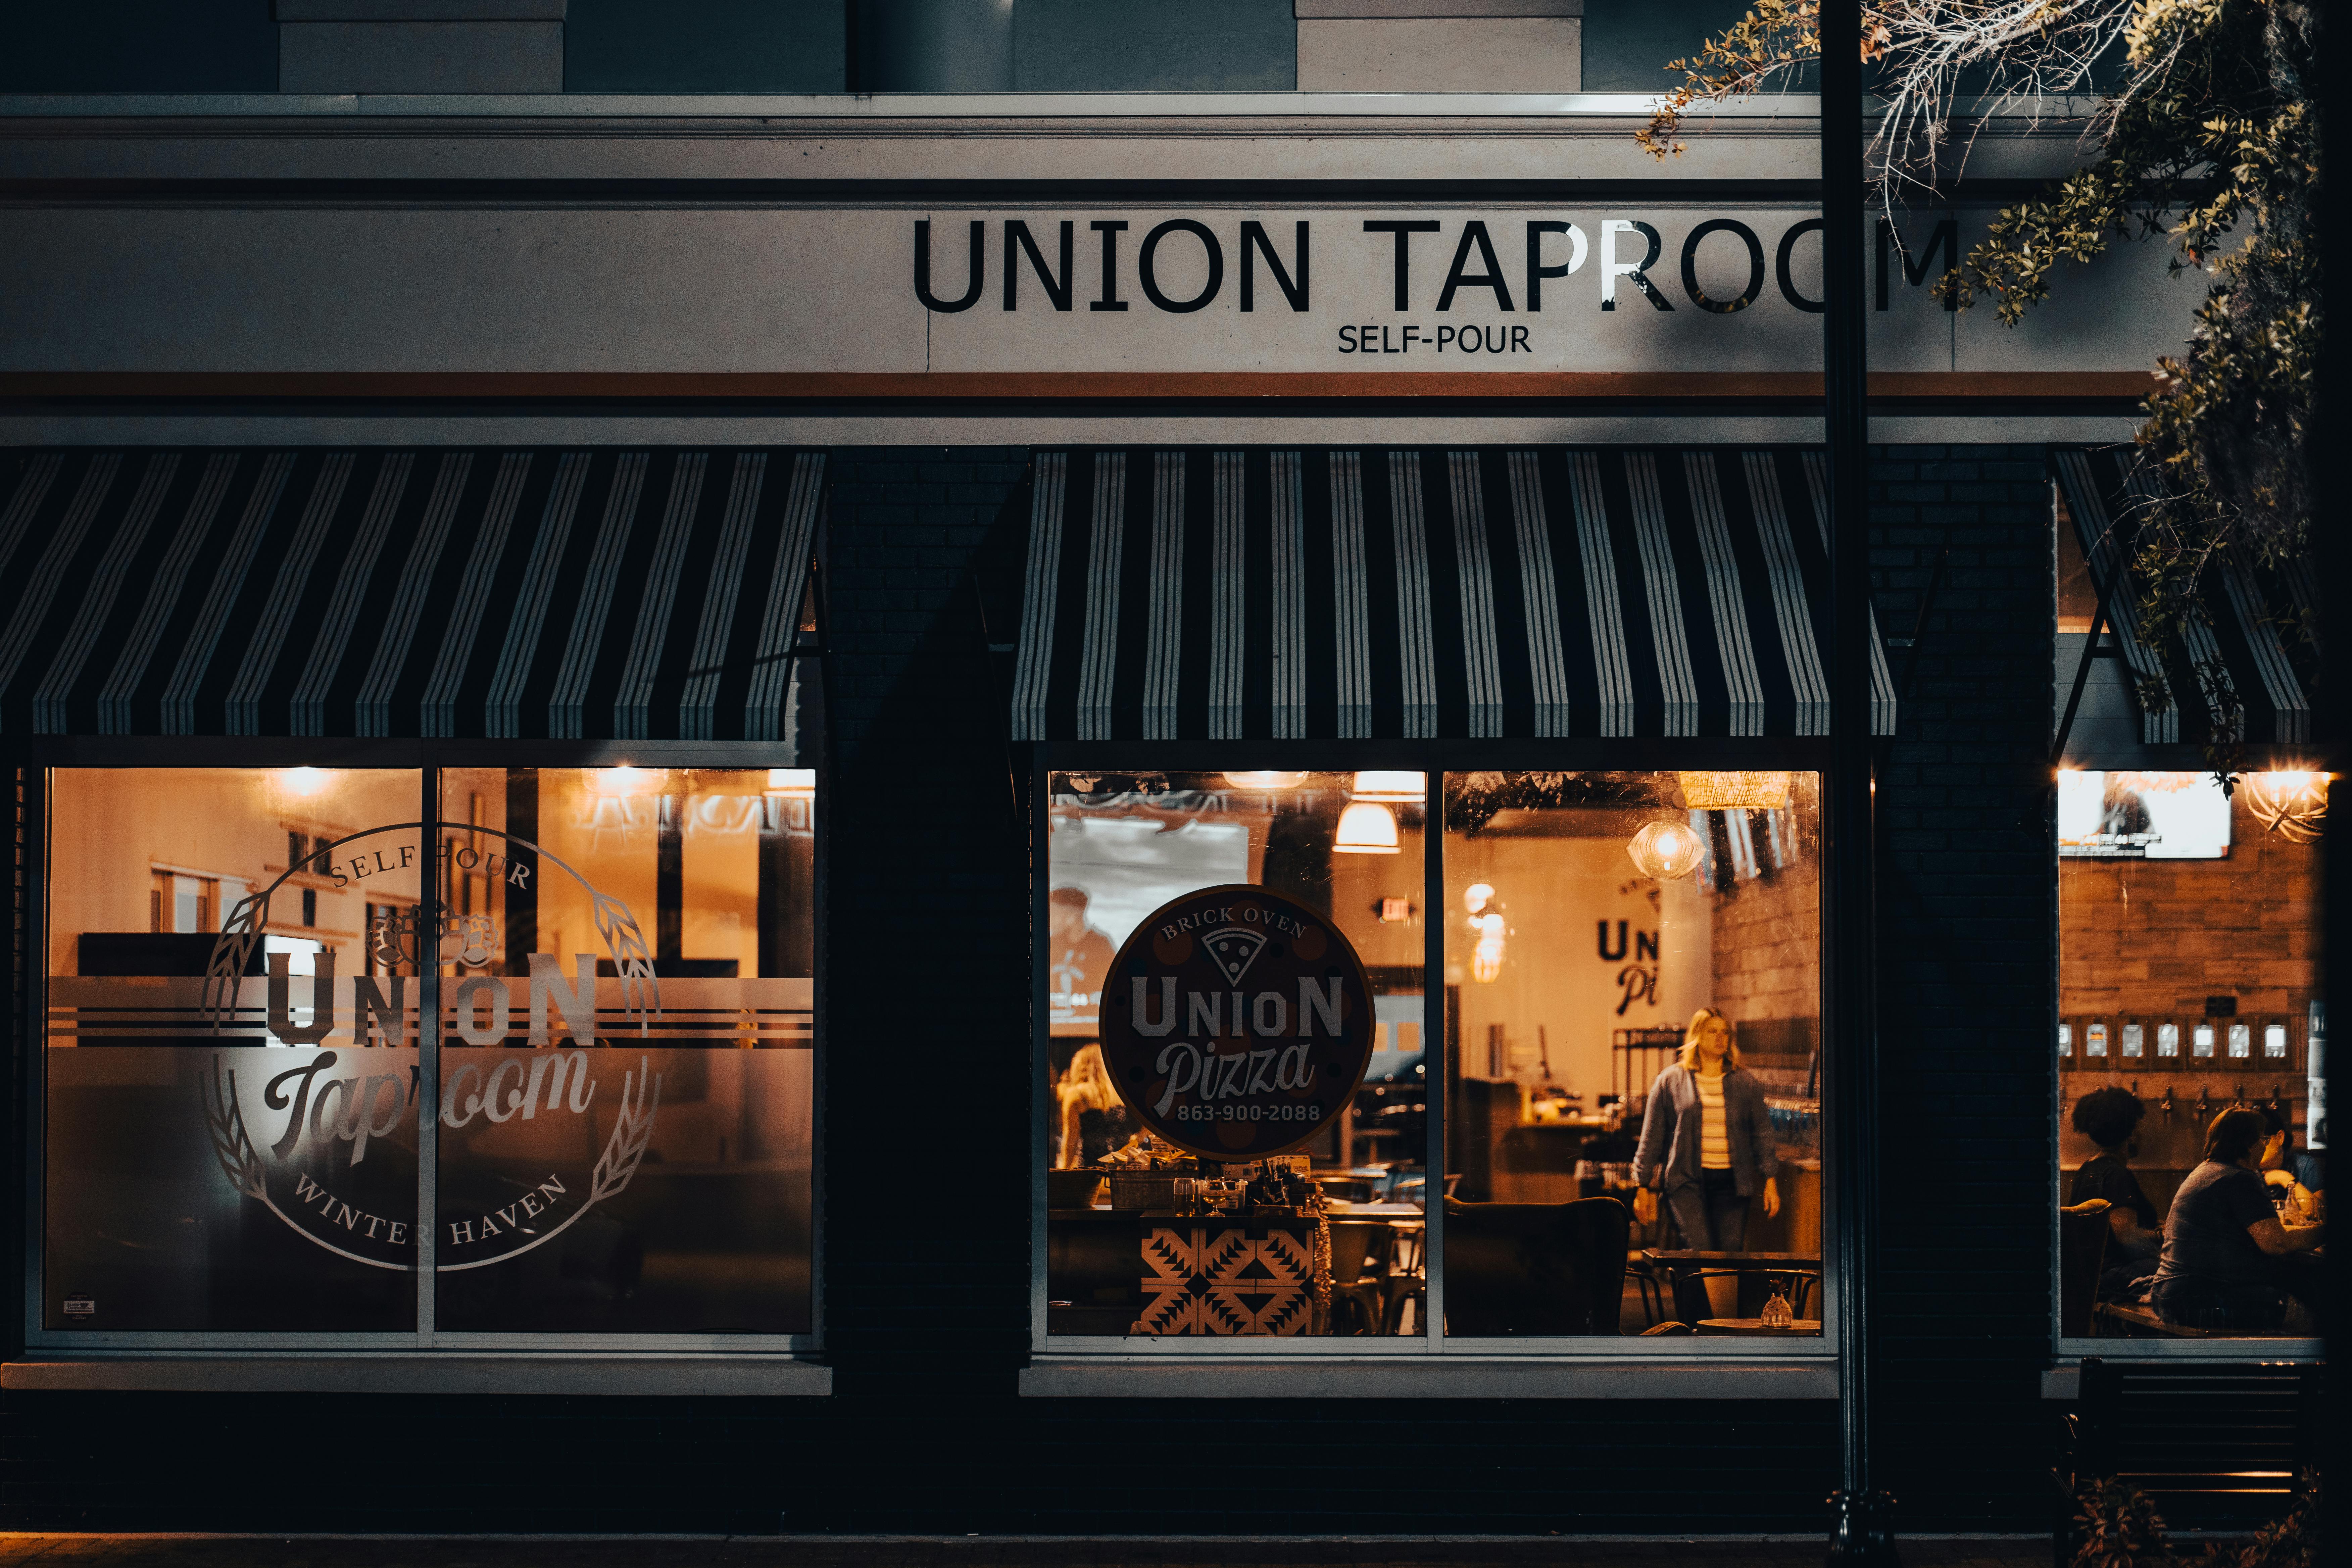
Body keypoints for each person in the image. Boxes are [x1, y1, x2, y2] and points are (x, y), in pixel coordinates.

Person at [1632, 1009, 1781, 1305]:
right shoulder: (1671, 1080)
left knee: (1729, 1253)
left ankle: (1722, 1327)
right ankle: (1694, 1325)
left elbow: (1762, 1133)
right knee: (1695, 1251)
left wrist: (1770, 1180)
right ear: (1697, 1036)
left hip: (1732, 1182)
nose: (1720, 1038)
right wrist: (1642, 1185)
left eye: (1725, 1032)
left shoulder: (1744, 1083)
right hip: (1686, 1182)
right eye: (1712, 1031)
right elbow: (1652, 1136)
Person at [2150, 1106, 2326, 1332]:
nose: (2264, 1146)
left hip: (2171, 1294)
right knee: (2307, 1314)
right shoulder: (2238, 1178)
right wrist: (2323, 1233)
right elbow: (2277, 1243)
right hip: (2197, 1297)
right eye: (2262, 1139)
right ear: (2248, 1144)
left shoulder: (2208, 1171)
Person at [2068, 1086, 2163, 1280]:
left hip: (2086, 1275)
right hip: (2113, 1276)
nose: (2140, 1134)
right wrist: (2162, 1235)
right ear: (2129, 1134)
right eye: (2137, 1127)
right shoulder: (2117, 1175)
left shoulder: (2087, 1169)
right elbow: (2127, 1236)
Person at [1056, 1043, 1134, 1169]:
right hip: (1123, 1164)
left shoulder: (1076, 1094)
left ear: (1080, 1065)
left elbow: (1071, 1138)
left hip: (1092, 1165)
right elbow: (1148, 1126)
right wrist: (1134, 1142)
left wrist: (1065, 1171)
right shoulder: (1120, 1092)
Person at [1046, 886, 1115, 1021]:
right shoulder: (1050, 944)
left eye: (1054, 913)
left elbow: (1113, 989)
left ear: (1072, 916)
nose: (1049, 920)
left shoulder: (1101, 946)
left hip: (1091, 1022)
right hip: (1056, 1022)